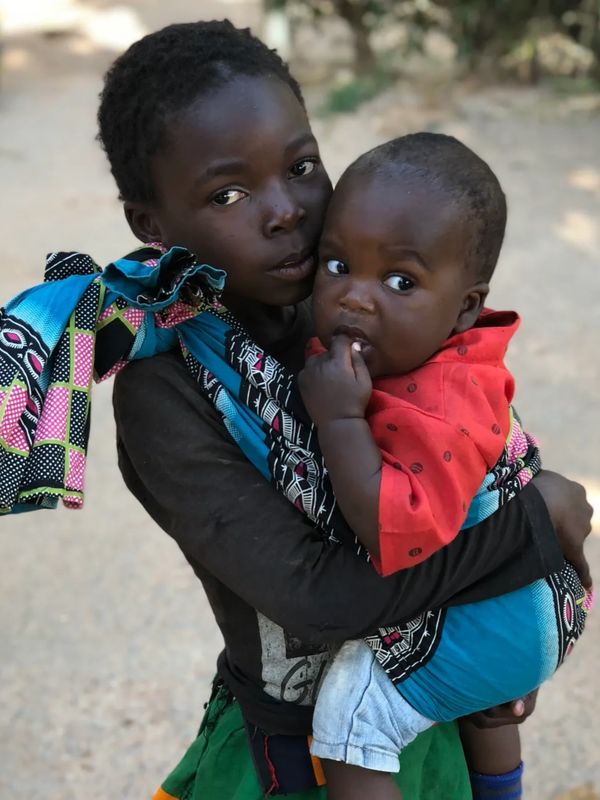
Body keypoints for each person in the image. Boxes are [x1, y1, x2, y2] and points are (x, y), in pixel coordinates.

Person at [0, 19, 584, 800]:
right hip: (302, 751)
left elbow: (467, 453)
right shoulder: (167, 390)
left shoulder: (348, 302)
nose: (286, 211)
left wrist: (494, 647)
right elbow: (320, 597)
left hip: (420, 700)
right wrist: (533, 529)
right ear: (151, 224)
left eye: (302, 166)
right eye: (229, 193)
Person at [297, 133, 593, 800]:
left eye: (400, 281)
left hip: (508, 613)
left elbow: (392, 533)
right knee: (480, 714)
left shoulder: (442, 404)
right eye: (337, 264)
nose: (355, 298)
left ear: (466, 307)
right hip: (523, 597)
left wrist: (340, 420)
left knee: (349, 718)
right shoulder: (430, 354)